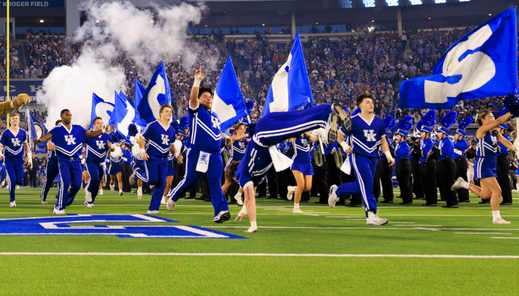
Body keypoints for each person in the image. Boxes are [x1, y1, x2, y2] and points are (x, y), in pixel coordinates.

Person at [229, 104, 340, 232]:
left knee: (296, 127)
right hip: (267, 133)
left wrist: (253, 225)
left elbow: (248, 197)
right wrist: (244, 210)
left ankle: (324, 119)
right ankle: (329, 109)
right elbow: (250, 195)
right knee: (297, 118)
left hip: (263, 136)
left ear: (234, 176)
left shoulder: (242, 173)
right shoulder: (251, 173)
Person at [164, 68, 232, 222]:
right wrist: (197, 81)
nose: (208, 98)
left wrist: (225, 136)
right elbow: (193, 98)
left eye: (210, 97)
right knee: (190, 180)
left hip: (215, 154)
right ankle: (174, 195)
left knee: (215, 181)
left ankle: (221, 211)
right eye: (205, 96)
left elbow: (214, 131)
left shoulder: (214, 115)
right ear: (200, 99)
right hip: (198, 152)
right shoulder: (196, 110)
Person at [327, 93, 395, 226]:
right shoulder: (352, 121)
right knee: (368, 185)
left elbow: (383, 141)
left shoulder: (379, 122)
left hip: (373, 157)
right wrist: (345, 146)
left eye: (372, 102)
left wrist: (388, 155)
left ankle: (338, 191)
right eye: (368, 102)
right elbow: (339, 135)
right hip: (358, 156)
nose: (371, 104)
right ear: (361, 105)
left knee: (362, 186)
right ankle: (371, 214)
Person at [452, 109, 515, 224]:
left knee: (485, 194)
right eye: (490, 117)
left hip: (491, 165)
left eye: (492, 117)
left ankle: (462, 183)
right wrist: (511, 112)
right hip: (483, 165)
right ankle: (496, 218)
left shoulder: (494, 133)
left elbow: (505, 142)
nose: (493, 119)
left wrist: (517, 149)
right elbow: (499, 121)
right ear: (482, 120)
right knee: (497, 191)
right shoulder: (481, 130)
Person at [36, 108, 87, 215]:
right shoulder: (56, 133)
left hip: (69, 160)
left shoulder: (73, 131)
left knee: (70, 183)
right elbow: (49, 145)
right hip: (55, 160)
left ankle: (63, 200)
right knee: (51, 180)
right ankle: (45, 196)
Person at [137, 105, 178, 215]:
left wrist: (177, 154)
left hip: (164, 159)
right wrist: (142, 151)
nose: (169, 113)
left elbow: (171, 145)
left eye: (170, 111)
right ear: (160, 113)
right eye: (166, 111)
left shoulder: (172, 130)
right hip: (152, 157)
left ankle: (153, 208)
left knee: (161, 184)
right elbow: (141, 138)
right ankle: (137, 171)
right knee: (153, 180)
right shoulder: (153, 125)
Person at [0, 112, 28, 207]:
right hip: (9, 159)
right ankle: (12, 200)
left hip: (19, 159)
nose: (15, 120)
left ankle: (14, 183)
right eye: (13, 118)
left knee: (19, 180)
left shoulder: (23, 132)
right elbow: (0, 145)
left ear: (19, 120)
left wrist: (29, 157)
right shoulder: (6, 133)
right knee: (13, 179)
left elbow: (26, 144)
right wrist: (0, 153)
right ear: (10, 121)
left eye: (16, 118)